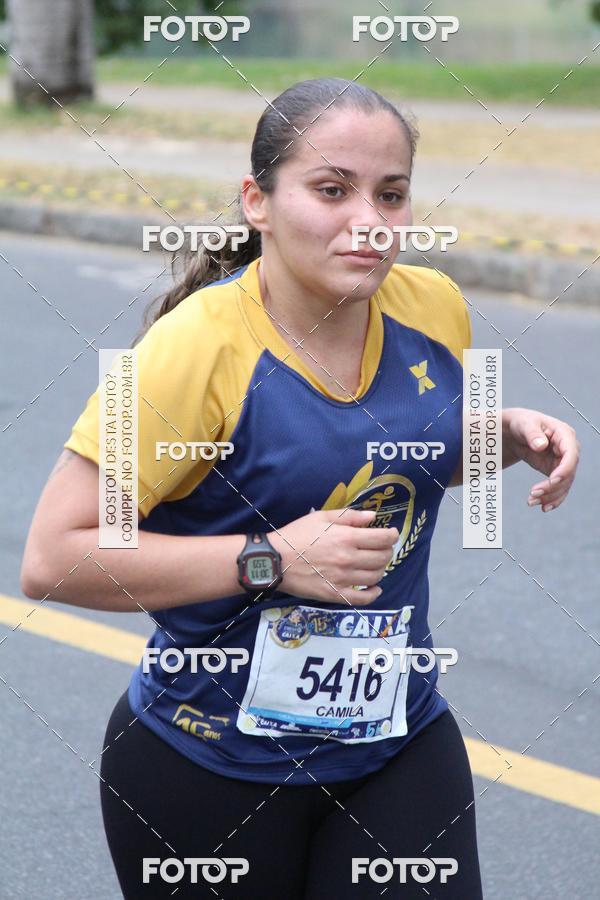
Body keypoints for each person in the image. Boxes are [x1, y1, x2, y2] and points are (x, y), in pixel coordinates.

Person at [21, 78, 580, 899]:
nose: (368, 220)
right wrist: (269, 561)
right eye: (331, 189)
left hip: (396, 743)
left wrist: (503, 436)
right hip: (206, 762)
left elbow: (410, 453)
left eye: (391, 194)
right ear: (259, 201)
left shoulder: (433, 308)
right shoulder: (195, 350)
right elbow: (53, 558)